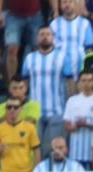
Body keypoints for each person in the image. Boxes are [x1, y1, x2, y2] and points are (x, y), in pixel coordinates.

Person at [21, 26, 72, 158]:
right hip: (34, 112)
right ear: (37, 38)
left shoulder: (62, 57)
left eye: (48, 34)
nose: (45, 37)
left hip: (57, 110)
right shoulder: (29, 58)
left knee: (53, 148)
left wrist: (71, 105)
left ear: (53, 38)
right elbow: (24, 84)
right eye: (42, 34)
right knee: (34, 148)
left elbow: (70, 82)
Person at [63, 71, 93, 170]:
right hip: (75, 152)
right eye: (83, 80)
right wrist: (76, 126)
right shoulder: (72, 101)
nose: (86, 84)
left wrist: (86, 124)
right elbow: (66, 125)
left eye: (89, 80)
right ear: (79, 82)